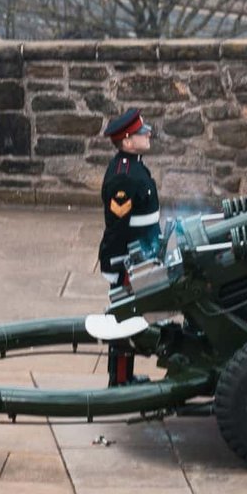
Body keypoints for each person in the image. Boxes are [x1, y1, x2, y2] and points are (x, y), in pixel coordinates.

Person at [98, 109, 160, 387]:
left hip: (141, 253)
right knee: (125, 318)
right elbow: (117, 228)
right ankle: (120, 380)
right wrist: (118, 265)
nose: (148, 134)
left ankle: (124, 376)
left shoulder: (134, 166)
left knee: (132, 316)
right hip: (128, 259)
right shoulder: (124, 176)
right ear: (127, 141)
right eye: (141, 133)